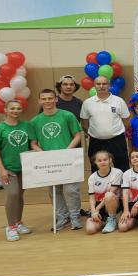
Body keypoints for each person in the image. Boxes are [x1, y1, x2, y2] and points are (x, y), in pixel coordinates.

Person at [30, 89, 84, 231]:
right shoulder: (35, 121)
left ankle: (75, 217)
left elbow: (78, 135)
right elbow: (33, 143)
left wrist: (67, 150)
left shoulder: (67, 115)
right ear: (39, 101)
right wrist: (42, 154)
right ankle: (62, 217)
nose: (47, 101)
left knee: (71, 189)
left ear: (56, 99)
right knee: (55, 190)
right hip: (48, 161)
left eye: (50, 98)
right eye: (44, 99)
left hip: (67, 158)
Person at [0, 100, 35, 242]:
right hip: (8, 168)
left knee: (19, 195)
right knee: (13, 194)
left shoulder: (27, 125)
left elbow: (33, 144)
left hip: (24, 167)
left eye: (18, 108)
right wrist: (2, 170)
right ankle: (10, 227)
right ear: (5, 110)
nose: (15, 111)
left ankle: (18, 222)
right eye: (12, 108)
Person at [81, 76, 131, 171]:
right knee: (96, 169)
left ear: (109, 85)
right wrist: (97, 133)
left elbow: (126, 122)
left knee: (122, 167)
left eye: (104, 84)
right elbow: (84, 123)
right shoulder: (87, 103)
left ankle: (122, 182)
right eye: (98, 84)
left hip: (117, 140)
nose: (101, 86)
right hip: (96, 142)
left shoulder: (119, 101)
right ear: (94, 86)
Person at [85, 150, 123, 235]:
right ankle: (103, 220)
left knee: (109, 195)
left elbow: (111, 193)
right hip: (99, 204)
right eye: (99, 160)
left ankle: (112, 219)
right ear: (95, 162)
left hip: (112, 203)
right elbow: (92, 198)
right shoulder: (92, 177)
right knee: (90, 230)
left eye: (105, 160)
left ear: (110, 160)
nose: (102, 162)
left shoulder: (117, 172)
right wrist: (93, 211)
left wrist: (97, 209)